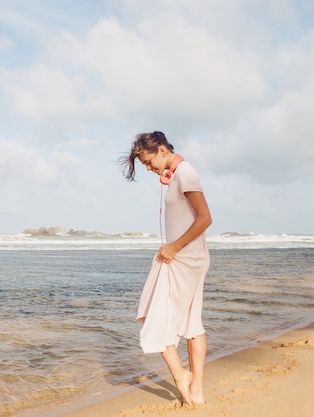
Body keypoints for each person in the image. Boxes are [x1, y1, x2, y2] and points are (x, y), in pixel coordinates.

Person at [121, 131, 212, 406]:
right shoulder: (176, 175)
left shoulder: (186, 172)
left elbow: (205, 218)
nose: (149, 168)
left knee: (157, 317)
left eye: (148, 162)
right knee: (192, 324)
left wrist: (173, 247)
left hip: (186, 259)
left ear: (162, 150)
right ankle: (196, 390)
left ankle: (181, 376)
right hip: (182, 258)